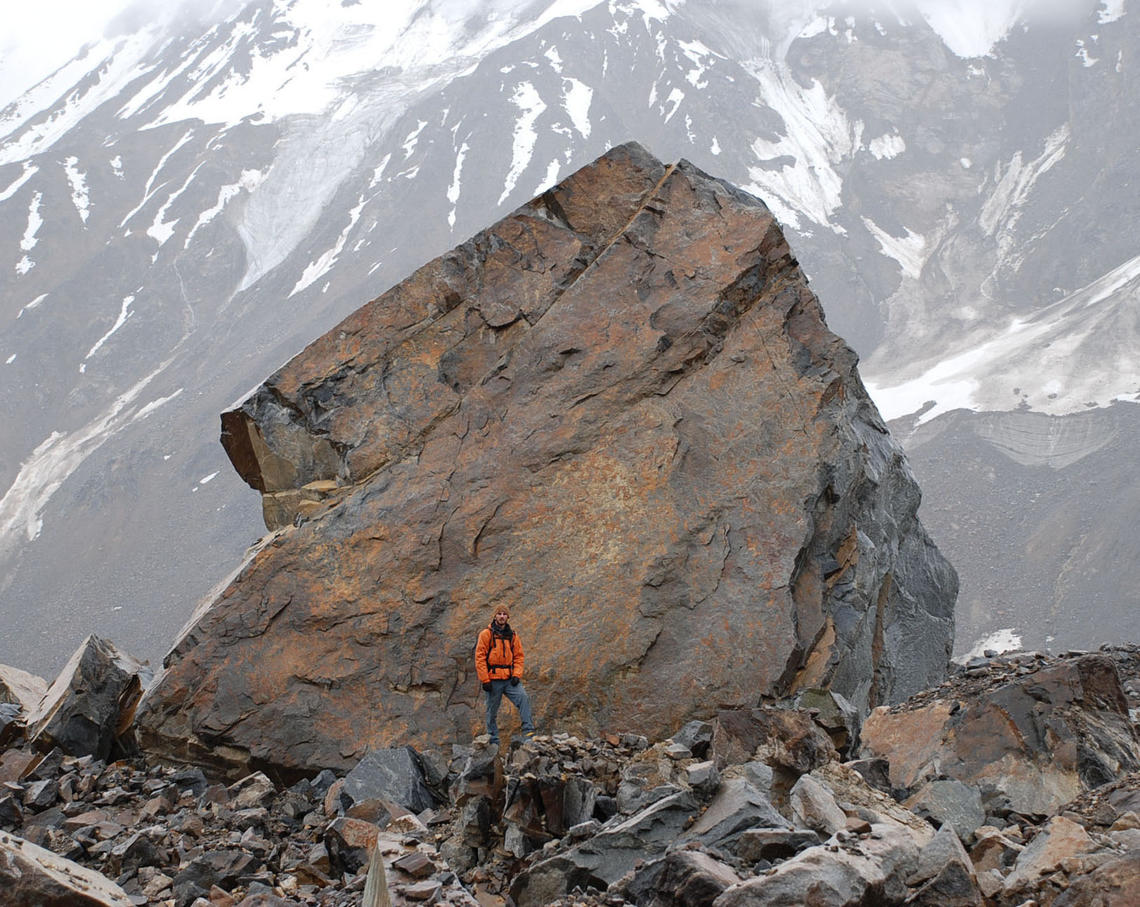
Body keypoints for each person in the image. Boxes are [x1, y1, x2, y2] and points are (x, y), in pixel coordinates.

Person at [475, 605, 535, 743]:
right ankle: (493, 740)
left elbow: (519, 656)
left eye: (504, 614)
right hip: (493, 679)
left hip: (509, 679)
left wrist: (516, 675)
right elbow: (480, 658)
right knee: (492, 712)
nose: (502, 616)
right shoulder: (486, 634)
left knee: (523, 698)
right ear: (495, 616)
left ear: (508, 617)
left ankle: (528, 733)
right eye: (499, 614)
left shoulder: (512, 636)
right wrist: (485, 680)